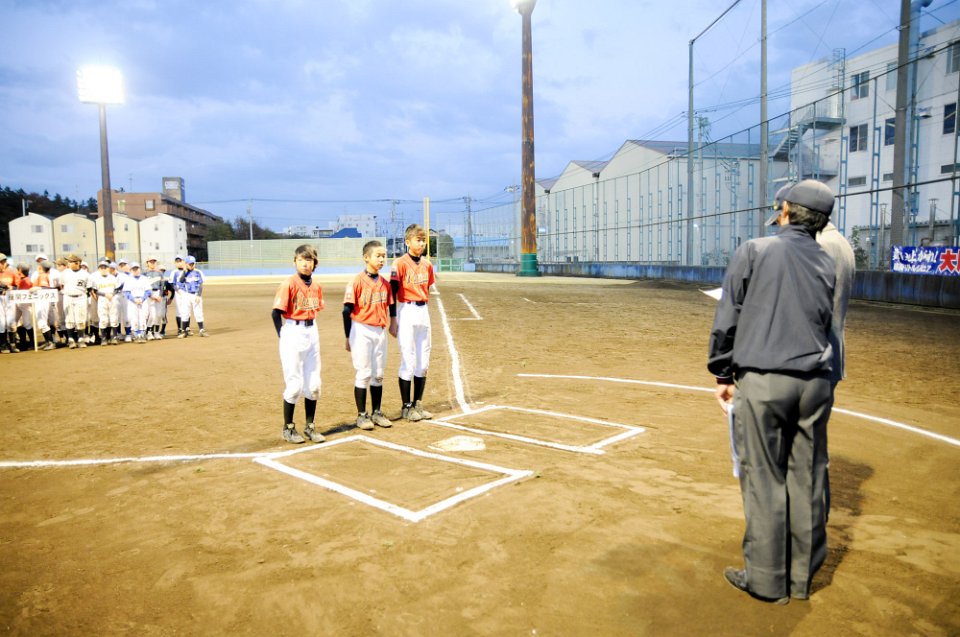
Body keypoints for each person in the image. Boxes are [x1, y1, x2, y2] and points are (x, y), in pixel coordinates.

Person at [707, 179, 838, 604]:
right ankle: (800, 580)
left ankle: (766, 581)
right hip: (816, 382)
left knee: (764, 477)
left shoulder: (755, 250)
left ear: (785, 212)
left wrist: (722, 373)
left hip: (765, 379)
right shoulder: (827, 261)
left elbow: (728, 317)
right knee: (808, 476)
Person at [272, 244, 325, 444]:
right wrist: (283, 335)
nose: (305, 263)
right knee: (294, 385)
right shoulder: (289, 284)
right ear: (295, 262)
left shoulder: (316, 286)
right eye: (301, 259)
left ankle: (310, 427)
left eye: (309, 259)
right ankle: (288, 428)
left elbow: (316, 308)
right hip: (293, 330)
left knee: (314, 385)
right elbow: (275, 313)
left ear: (314, 263)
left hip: (312, 331)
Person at [343, 240, 397, 431]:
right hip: (362, 330)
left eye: (384, 256)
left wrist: (393, 322)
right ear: (366, 258)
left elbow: (391, 304)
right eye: (378, 256)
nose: (382, 259)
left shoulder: (385, 283)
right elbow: (346, 310)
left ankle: (376, 412)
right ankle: (361, 415)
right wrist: (347, 336)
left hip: (380, 331)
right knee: (364, 373)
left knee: (379, 374)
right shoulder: (357, 281)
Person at [391, 224, 436, 421]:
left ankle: (418, 403)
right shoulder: (399, 263)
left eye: (424, 240)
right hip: (407, 310)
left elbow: (428, 288)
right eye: (418, 240)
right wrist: (393, 318)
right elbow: (392, 291)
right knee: (408, 361)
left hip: (423, 311)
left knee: (423, 361)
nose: (422, 243)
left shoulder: (427, 265)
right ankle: (406, 406)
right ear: (407, 242)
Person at [60, 254, 91, 349]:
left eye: (70, 262)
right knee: (69, 319)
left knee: (80, 319)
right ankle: (71, 340)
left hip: (81, 297)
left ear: (77, 263)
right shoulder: (65, 273)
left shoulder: (85, 274)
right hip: (68, 297)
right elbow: (62, 285)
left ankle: (81, 339)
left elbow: (89, 288)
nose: (68, 263)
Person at [89, 260, 120, 346]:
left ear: (108, 268)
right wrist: (105, 294)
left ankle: (114, 337)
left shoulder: (112, 278)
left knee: (114, 318)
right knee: (103, 318)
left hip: (112, 299)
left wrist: (112, 294)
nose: (103, 269)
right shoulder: (96, 279)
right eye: (101, 268)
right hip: (102, 299)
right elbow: (95, 291)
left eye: (105, 267)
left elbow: (117, 289)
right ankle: (103, 338)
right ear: (99, 269)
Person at [177, 256, 208, 337]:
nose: (191, 265)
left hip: (196, 295)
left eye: (193, 264)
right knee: (185, 313)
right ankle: (184, 331)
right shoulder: (184, 273)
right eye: (189, 264)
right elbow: (181, 281)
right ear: (186, 264)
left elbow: (200, 284)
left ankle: (201, 330)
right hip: (186, 295)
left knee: (198, 312)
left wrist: (199, 295)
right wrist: (185, 271)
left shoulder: (198, 272)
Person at [123, 263, 152, 343]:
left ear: (140, 269)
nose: (136, 270)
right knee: (133, 318)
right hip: (133, 301)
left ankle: (142, 334)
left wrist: (143, 299)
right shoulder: (128, 280)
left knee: (143, 317)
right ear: (131, 270)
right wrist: (134, 300)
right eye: (134, 269)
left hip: (143, 300)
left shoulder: (144, 279)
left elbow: (148, 291)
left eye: (137, 268)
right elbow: (126, 292)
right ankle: (136, 335)